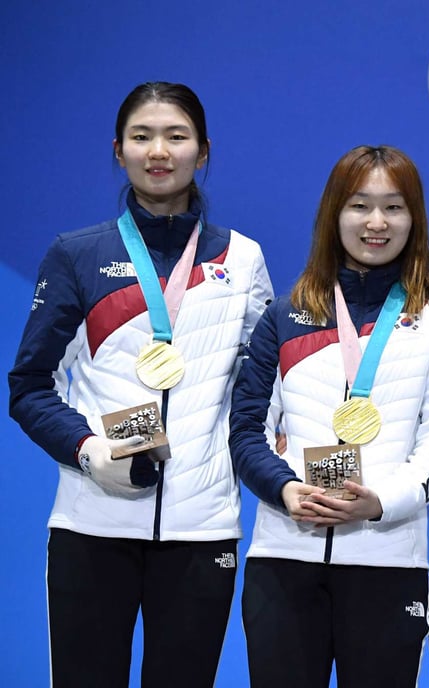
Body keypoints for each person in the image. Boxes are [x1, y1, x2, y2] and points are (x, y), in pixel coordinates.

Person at [7, 81, 273, 687]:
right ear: (118, 150)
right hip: (91, 524)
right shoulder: (77, 254)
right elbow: (29, 386)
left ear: (202, 151)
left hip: (201, 528)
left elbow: (265, 385)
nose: (159, 150)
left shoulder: (243, 258)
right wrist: (87, 449)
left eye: (176, 136)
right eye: (142, 136)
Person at [228, 145, 429, 688]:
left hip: (389, 563)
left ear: (416, 219)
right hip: (284, 557)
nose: (377, 223)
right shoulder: (286, 313)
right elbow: (246, 429)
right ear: (334, 213)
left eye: (394, 207)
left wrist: (381, 502)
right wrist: (287, 491)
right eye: (360, 205)